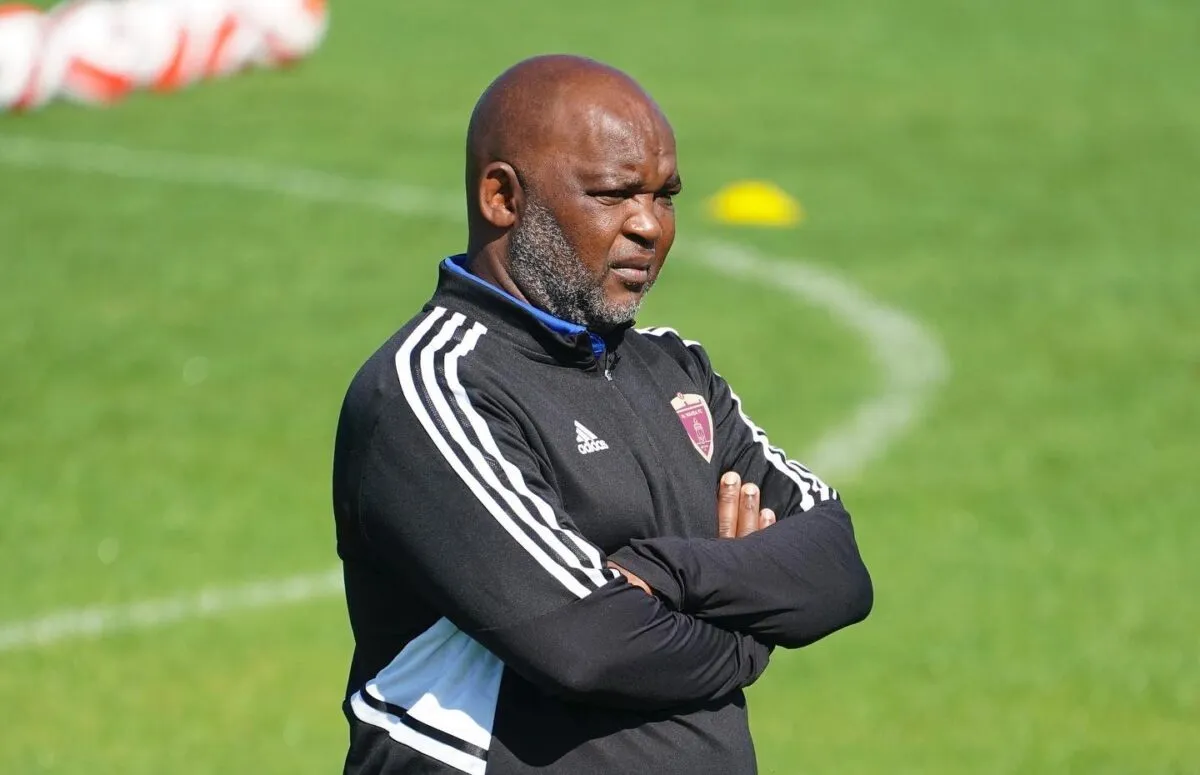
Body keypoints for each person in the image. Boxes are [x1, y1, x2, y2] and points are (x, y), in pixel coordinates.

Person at [331, 54, 873, 775]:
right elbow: (587, 644)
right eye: (614, 194)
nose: (649, 226)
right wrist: (753, 628)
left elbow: (837, 568)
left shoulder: (676, 370)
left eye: (665, 196)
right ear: (502, 197)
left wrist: (662, 573)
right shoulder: (434, 387)